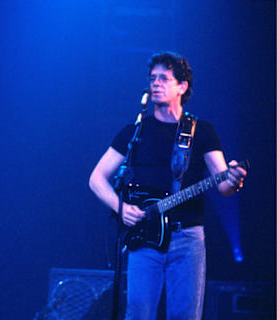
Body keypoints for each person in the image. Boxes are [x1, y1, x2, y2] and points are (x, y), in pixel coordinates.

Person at [88, 52, 247, 319]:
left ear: (182, 87)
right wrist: (121, 206)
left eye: (164, 78)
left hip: (187, 238)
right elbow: (96, 178)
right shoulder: (135, 131)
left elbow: (223, 184)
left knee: (184, 315)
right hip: (144, 236)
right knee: (139, 312)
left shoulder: (202, 130)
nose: (156, 84)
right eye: (153, 78)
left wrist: (234, 179)